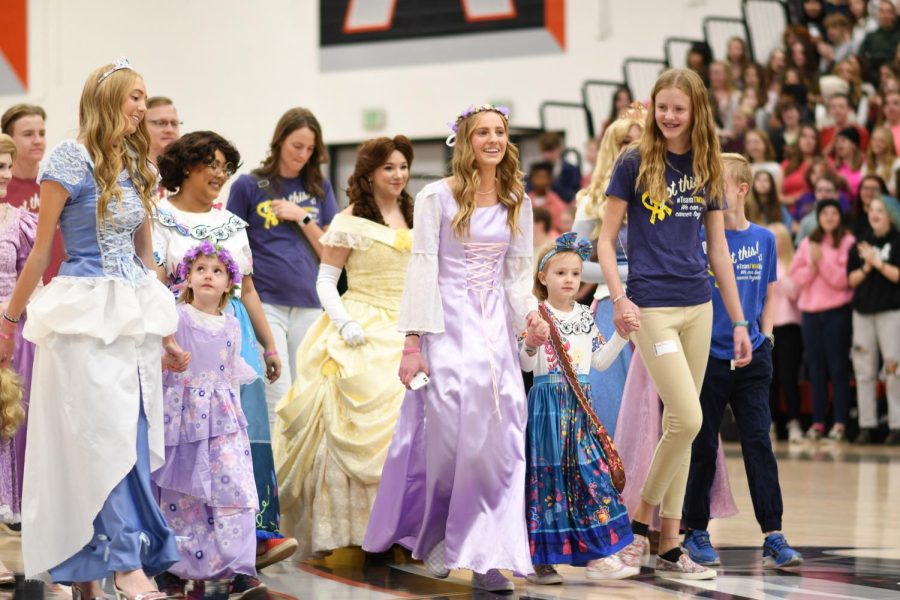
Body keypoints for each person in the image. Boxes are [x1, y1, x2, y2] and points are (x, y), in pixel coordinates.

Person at [0, 59, 187, 600]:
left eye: (145, 98)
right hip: (83, 316)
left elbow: (146, 260)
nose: (142, 109)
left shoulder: (136, 166)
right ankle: (124, 566)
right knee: (95, 441)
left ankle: (98, 571)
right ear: (108, 100)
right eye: (135, 98)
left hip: (133, 318)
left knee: (130, 438)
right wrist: (10, 323)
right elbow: (40, 255)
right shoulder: (67, 157)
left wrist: (169, 334)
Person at [362, 104, 548, 593]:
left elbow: (516, 278)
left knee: (502, 442)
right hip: (445, 329)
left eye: (500, 132)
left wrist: (531, 316)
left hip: (495, 339)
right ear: (464, 140)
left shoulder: (517, 201)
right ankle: (443, 531)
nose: (493, 139)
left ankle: (489, 556)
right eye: (483, 132)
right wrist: (412, 343)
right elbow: (422, 269)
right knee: (446, 442)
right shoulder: (434, 198)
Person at [599, 68, 752, 579]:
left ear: (695, 112)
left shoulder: (708, 166)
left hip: (698, 306)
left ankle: (669, 544)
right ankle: (637, 526)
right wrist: (620, 299)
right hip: (650, 309)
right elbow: (606, 239)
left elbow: (720, 248)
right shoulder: (632, 161)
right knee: (689, 419)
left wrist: (738, 320)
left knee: (678, 427)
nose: (668, 116)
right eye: (661, 107)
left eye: (678, 109)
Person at [151, 131, 293, 588]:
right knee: (182, 451)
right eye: (210, 164)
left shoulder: (232, 224)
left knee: (236, 446)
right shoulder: (159, 216)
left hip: (232, 341)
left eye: (224, 167)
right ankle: (178, 557)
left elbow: (248, 289)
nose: (219, 175)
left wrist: (269, 346)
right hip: (179, 342)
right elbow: (154, 281)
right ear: (186, 166)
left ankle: (253, 538)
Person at [272, 136, 414, 559]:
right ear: (369, 173)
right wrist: (346, 323)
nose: (398, 174)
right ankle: (353, 529)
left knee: (407, 427)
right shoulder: (349, 220)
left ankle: (403, 528)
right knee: (351, 421)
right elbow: (324, 281)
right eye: (389, 167)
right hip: (362, 325)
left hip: (406, 328)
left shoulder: (417, 216)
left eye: (403, 166)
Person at [682, 153, 803, 570]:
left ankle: (774, 533)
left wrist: (765, 336)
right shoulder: (699, 236)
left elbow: (769, 291)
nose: (709, 193)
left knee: (758, 444)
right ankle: (694, 530)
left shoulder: (765, 239)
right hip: (707, 356)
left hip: (753, 357)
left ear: (741, 189)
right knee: (702, 446)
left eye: (717, 185)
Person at [521, 233, 638, 585]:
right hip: (547, 410)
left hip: (580, 411)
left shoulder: (587, 317)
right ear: (543, 277)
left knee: (591, 475)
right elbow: (526, 367)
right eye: (560, 273)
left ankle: (600, 552)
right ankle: (542, 560)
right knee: (548, 482)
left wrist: (622, 335)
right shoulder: (535, 315)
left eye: (574, 273)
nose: (569, 280)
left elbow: (599, 363)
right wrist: (530, 342)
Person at [153, 243, 265, 598]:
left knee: (234, 488)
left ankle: (241, 568)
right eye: (200, 268)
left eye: (217, 271)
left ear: (229, 282)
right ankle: (172, 566)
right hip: (182, 420)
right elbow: (156, 362)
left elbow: (231, 376)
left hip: (224, 420)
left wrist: (236, 416)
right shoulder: (176, 318)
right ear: (187, 277)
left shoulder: (232, 325)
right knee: (181, 493)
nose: (208, 276)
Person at [227, 108, 338, 424]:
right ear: (279, 142)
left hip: (309, 300)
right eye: (296, 146)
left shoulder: (320, 188)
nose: (302, 155)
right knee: (278, 391)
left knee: (306, 390)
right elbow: (231, 242)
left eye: (309, 149)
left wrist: (301, 216)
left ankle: (300, 468)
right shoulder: (248, 186)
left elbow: (329, 251)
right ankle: (278, 472)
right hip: (266, 301)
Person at [573, 102, 645, 436]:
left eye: (640, 141)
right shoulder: (591, 201)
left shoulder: (659, 194)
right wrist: (624, 275)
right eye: (625, 142)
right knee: (609, 398)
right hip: (610, 303)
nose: (634, 149)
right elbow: (571, 265)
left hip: (660, 301)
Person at [791, 199, 855, 441]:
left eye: (833, 213)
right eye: (824, 213)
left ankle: (839, 423)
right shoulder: (808, 242)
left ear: (840, 216)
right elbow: (797, 276)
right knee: (815, 369)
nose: (829, 217)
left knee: (838, 369)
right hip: (810, 314)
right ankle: (818, 422)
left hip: (837, 313)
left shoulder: (847, 242)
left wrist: (820, 262)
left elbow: (842, 280)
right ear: (818, 217)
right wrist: (812, 268)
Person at [0, 133, 34, 586]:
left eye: (8, 167)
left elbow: (34, 279)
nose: (6, 176)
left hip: (14, 333)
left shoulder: (19, 223)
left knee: (7, 433)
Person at [847, 196, 900, 445]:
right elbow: (852, 280)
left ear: (890, 214)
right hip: (862, 313)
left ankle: (896, 425)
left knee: (894, 369)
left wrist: (876, 262)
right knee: (864, 371)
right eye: (872, 209)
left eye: (880, 210)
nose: (875, 214)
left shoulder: (897, 241)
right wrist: (868, 266)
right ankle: (866, 425)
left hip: (891, 313)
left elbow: (896, 275)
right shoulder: (860, 242)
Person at [1, 104, 64, 281]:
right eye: (28, 134)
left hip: (58, 287)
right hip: (15, 295)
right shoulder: (3, 189)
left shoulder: (58, 183)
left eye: (42, 134)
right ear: (9, 139)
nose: (38, 140)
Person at [767, 222, 804, 443]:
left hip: (789, 326)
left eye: (778, 237)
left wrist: (779, 275)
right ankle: (769, 423)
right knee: (768, 378)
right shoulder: (760, 262)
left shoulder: (792, 263)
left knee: (789, 377)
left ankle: (794, 423)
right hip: (768, 326)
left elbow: (794, 293)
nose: (775, 242)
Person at [536, 132, 582, 203]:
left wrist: (552, 183)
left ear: (559, 149)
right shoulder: (537, 170)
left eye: (551, 151)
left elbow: (574, 194)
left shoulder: (572, 170)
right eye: (545, 151)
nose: (548, 155)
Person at [527, 161, 568, 231]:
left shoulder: (557, 203)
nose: (541, 180)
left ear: (550, 180)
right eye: (538, 177)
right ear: (531, 179)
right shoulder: (525, 201)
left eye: (544, 177)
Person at [863, 126, 900, 195]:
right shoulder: (866, 165)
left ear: (888, 143)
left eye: (881, 140)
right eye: (873, 139)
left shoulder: (897, 164)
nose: (876, 143)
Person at [145, 97, 181, 164]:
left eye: (174, 124)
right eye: (161, 123)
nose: (170, 130)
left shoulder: (188, 168)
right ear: (141, 126)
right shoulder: (125, 167)